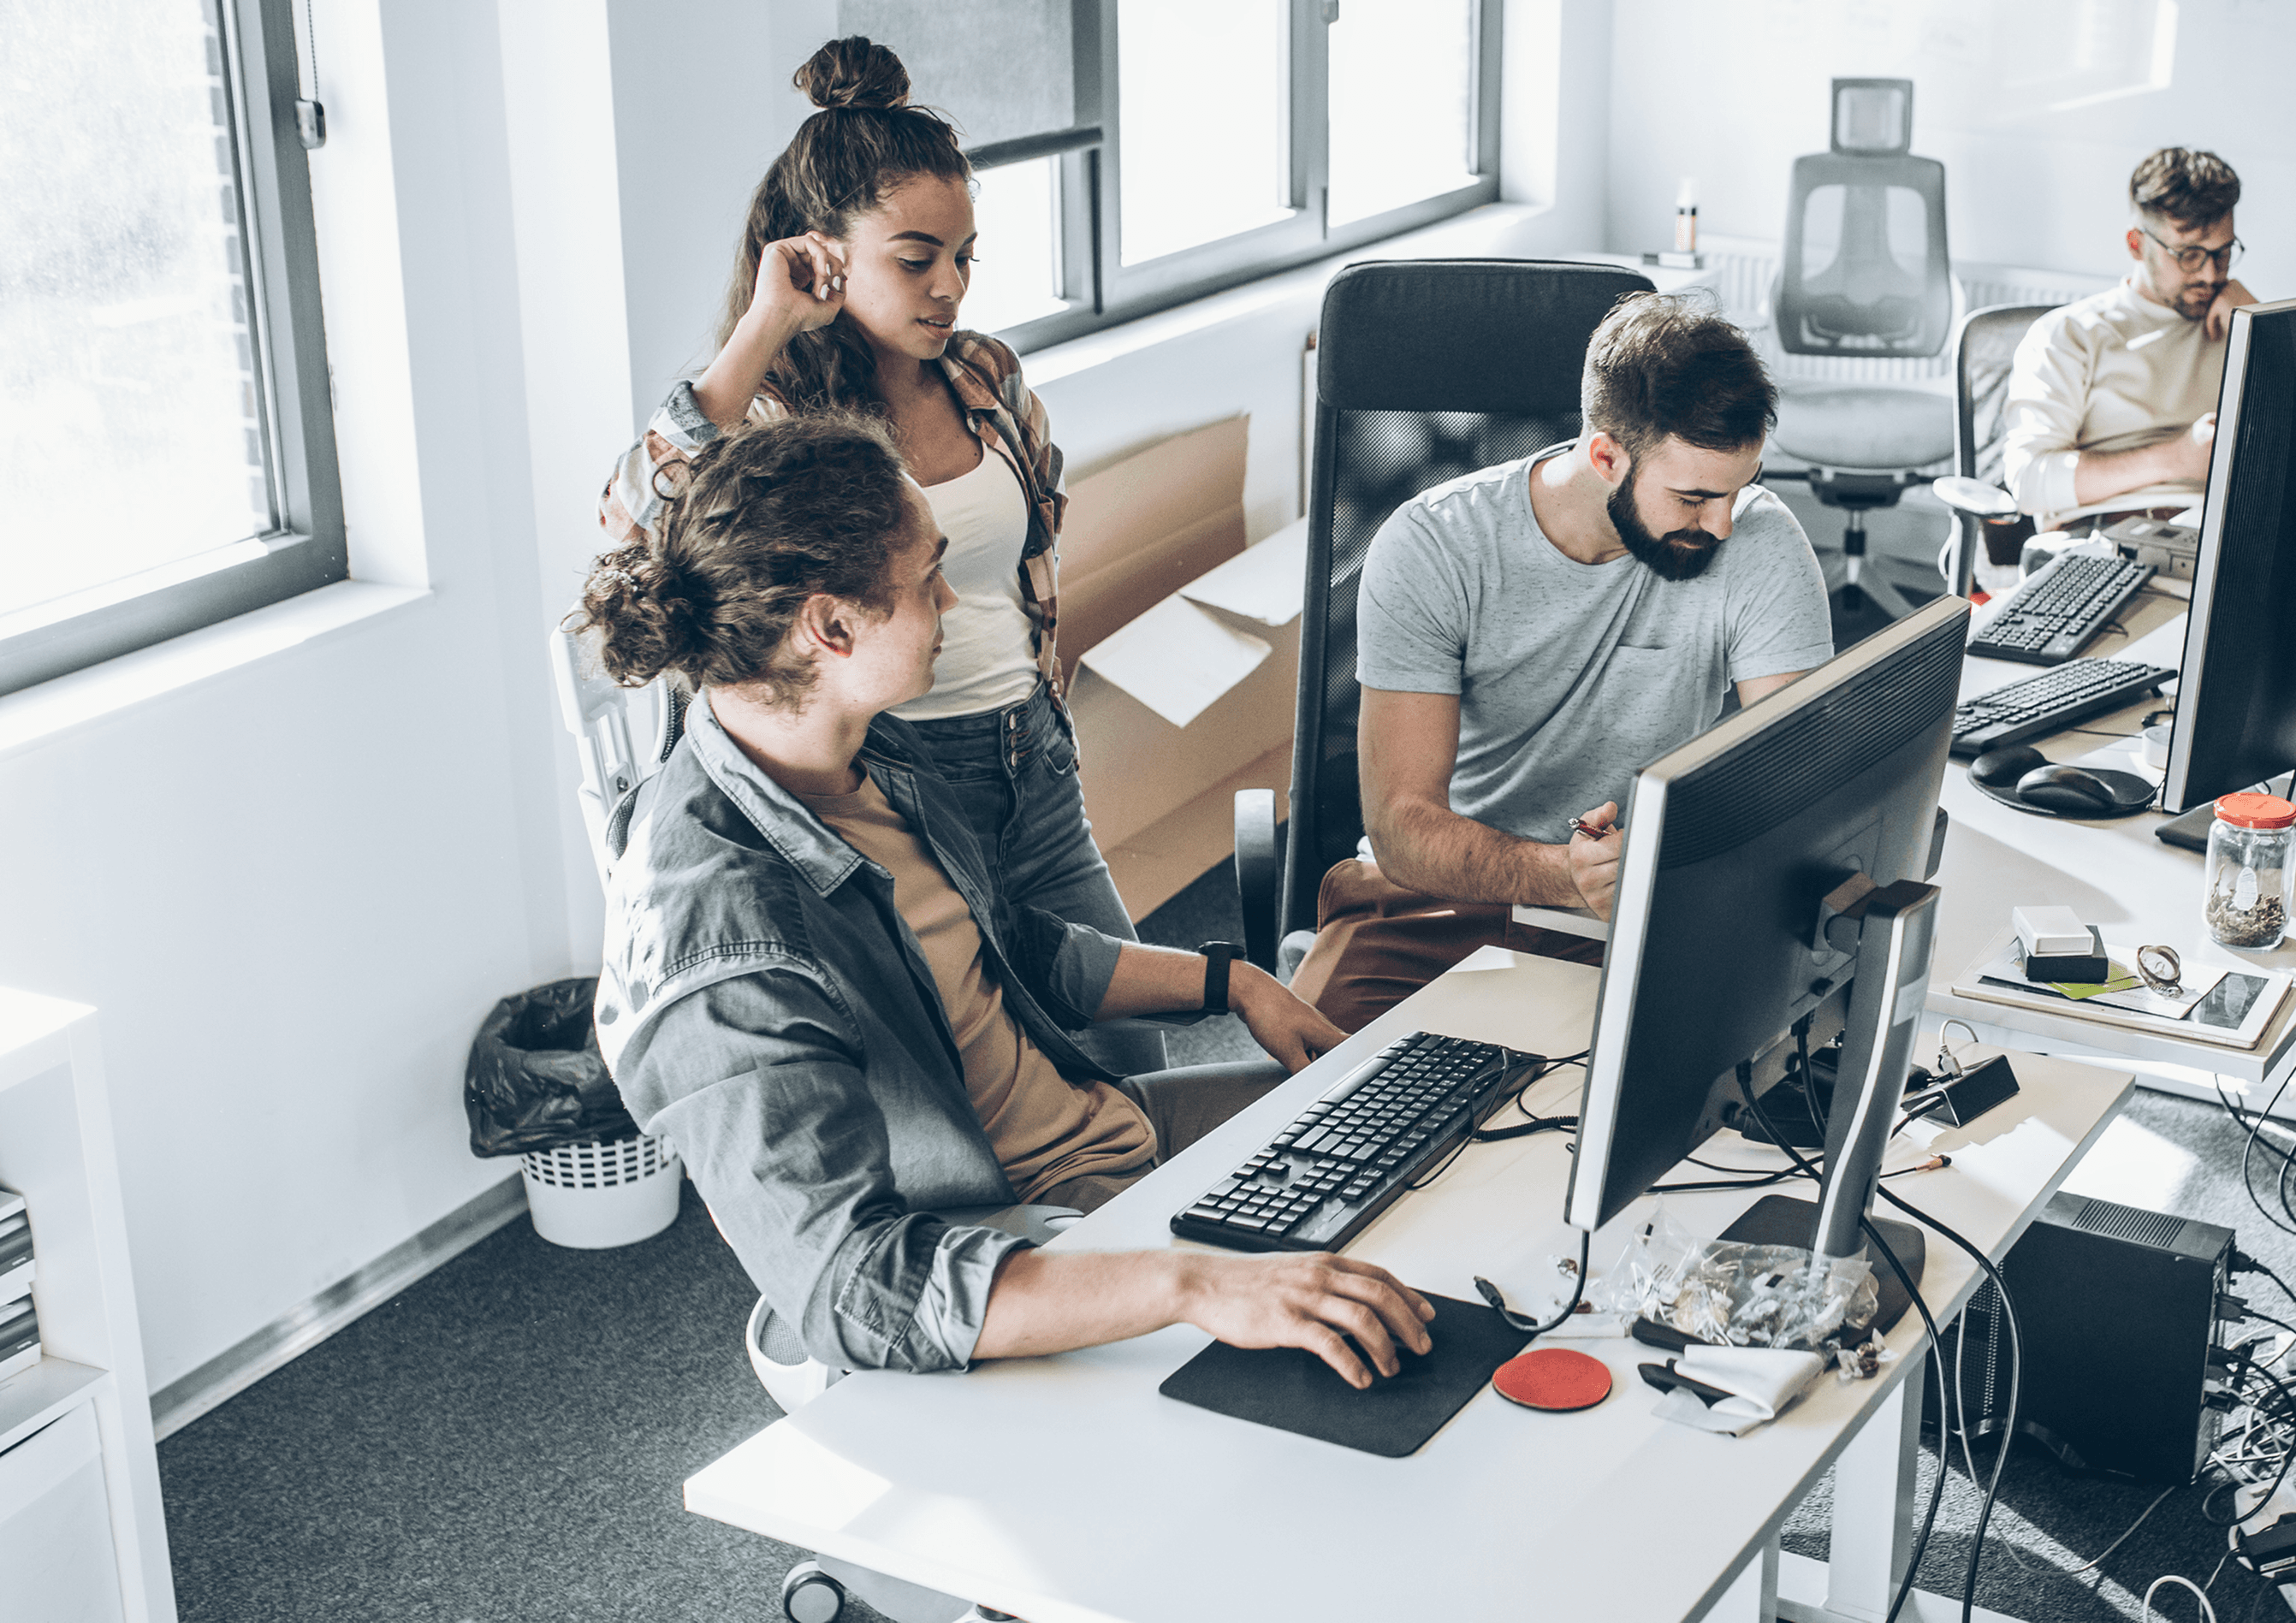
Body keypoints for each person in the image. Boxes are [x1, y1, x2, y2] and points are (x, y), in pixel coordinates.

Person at [584, 413, 1429, 1387]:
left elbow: (1004, 944)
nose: (951, 598)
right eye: (926, 578)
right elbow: (850, 1283)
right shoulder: (718, 933)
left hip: (1096, 1139)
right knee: (1336, 1359)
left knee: (1393, 1130)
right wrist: (1190, 1284)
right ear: (830, 626)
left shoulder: (867, 747)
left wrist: (1232, 983)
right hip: (1005, 1232)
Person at [597, 39, 1164, 1080]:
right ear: (821, 253)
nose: (949, 287)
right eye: (915, 259)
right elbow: (632, 534)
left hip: (1030, 759)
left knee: (1137, 1051)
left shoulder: (986, 374)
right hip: (894, 783)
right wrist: (766, 325)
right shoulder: (774, 422)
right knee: (980, 1095)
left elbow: (1026, 555)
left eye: (964, 257)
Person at [1288, 294, 1836, 1029]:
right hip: (1436, 904)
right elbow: (1401, 826)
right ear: (1606, 455)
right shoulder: (1435, 546)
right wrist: (1564, 874)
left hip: (1643, 909)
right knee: (1313, 1109)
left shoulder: (1759, 540)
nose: (1723, 522)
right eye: (1695, 497)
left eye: (1740, 488)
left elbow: (1797, 779)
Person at [1995, 147, 2263, 526]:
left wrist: (2266, 326)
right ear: (2136, 244)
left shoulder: (2238, 321)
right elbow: (2028, 481)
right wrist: (2178, 458)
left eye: (2222, 253)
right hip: (2103, 537)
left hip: (2226, 528)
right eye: (2188, 255)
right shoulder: (2069, 335)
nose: (2209, 274)